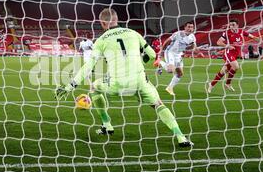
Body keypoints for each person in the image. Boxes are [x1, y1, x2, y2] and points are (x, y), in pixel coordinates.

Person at [55, 8, 193, 148]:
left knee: (94, 87)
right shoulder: (133, 33)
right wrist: (140, 60)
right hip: (139, 82)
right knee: (158, 104)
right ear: (117, 19)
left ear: (102, 23)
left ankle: (107, 124)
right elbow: (152, 55)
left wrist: (70, 86)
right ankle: (181, 137)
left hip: (117, 84)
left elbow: (88, 67)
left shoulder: (101, 40)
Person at [207, 19, 261, 93]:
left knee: (224, 71)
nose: (231, 26)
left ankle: (211, 84)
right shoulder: (226, 33)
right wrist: (228, 46)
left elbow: (251, 36)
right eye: (230, 25)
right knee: (236, 66)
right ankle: (228, 83)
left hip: (236, 54)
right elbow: (219, 42)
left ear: (237, 26)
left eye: (233, 24)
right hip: (229, 53)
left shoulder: (241, 32)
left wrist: (258, 39)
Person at [155, 22, 202, 96]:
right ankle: (159, 62)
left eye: (192, 27)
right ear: (185, 27)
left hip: (178, 55)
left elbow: (193, 46)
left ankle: (169, 88)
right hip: (170, 52)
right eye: (188, 27)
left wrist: (198, 52)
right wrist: (161, 52)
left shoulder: (192, 37)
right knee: (170, 70)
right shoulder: (178, 34)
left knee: (180, 74)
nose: (190, 29)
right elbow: (166, 41)